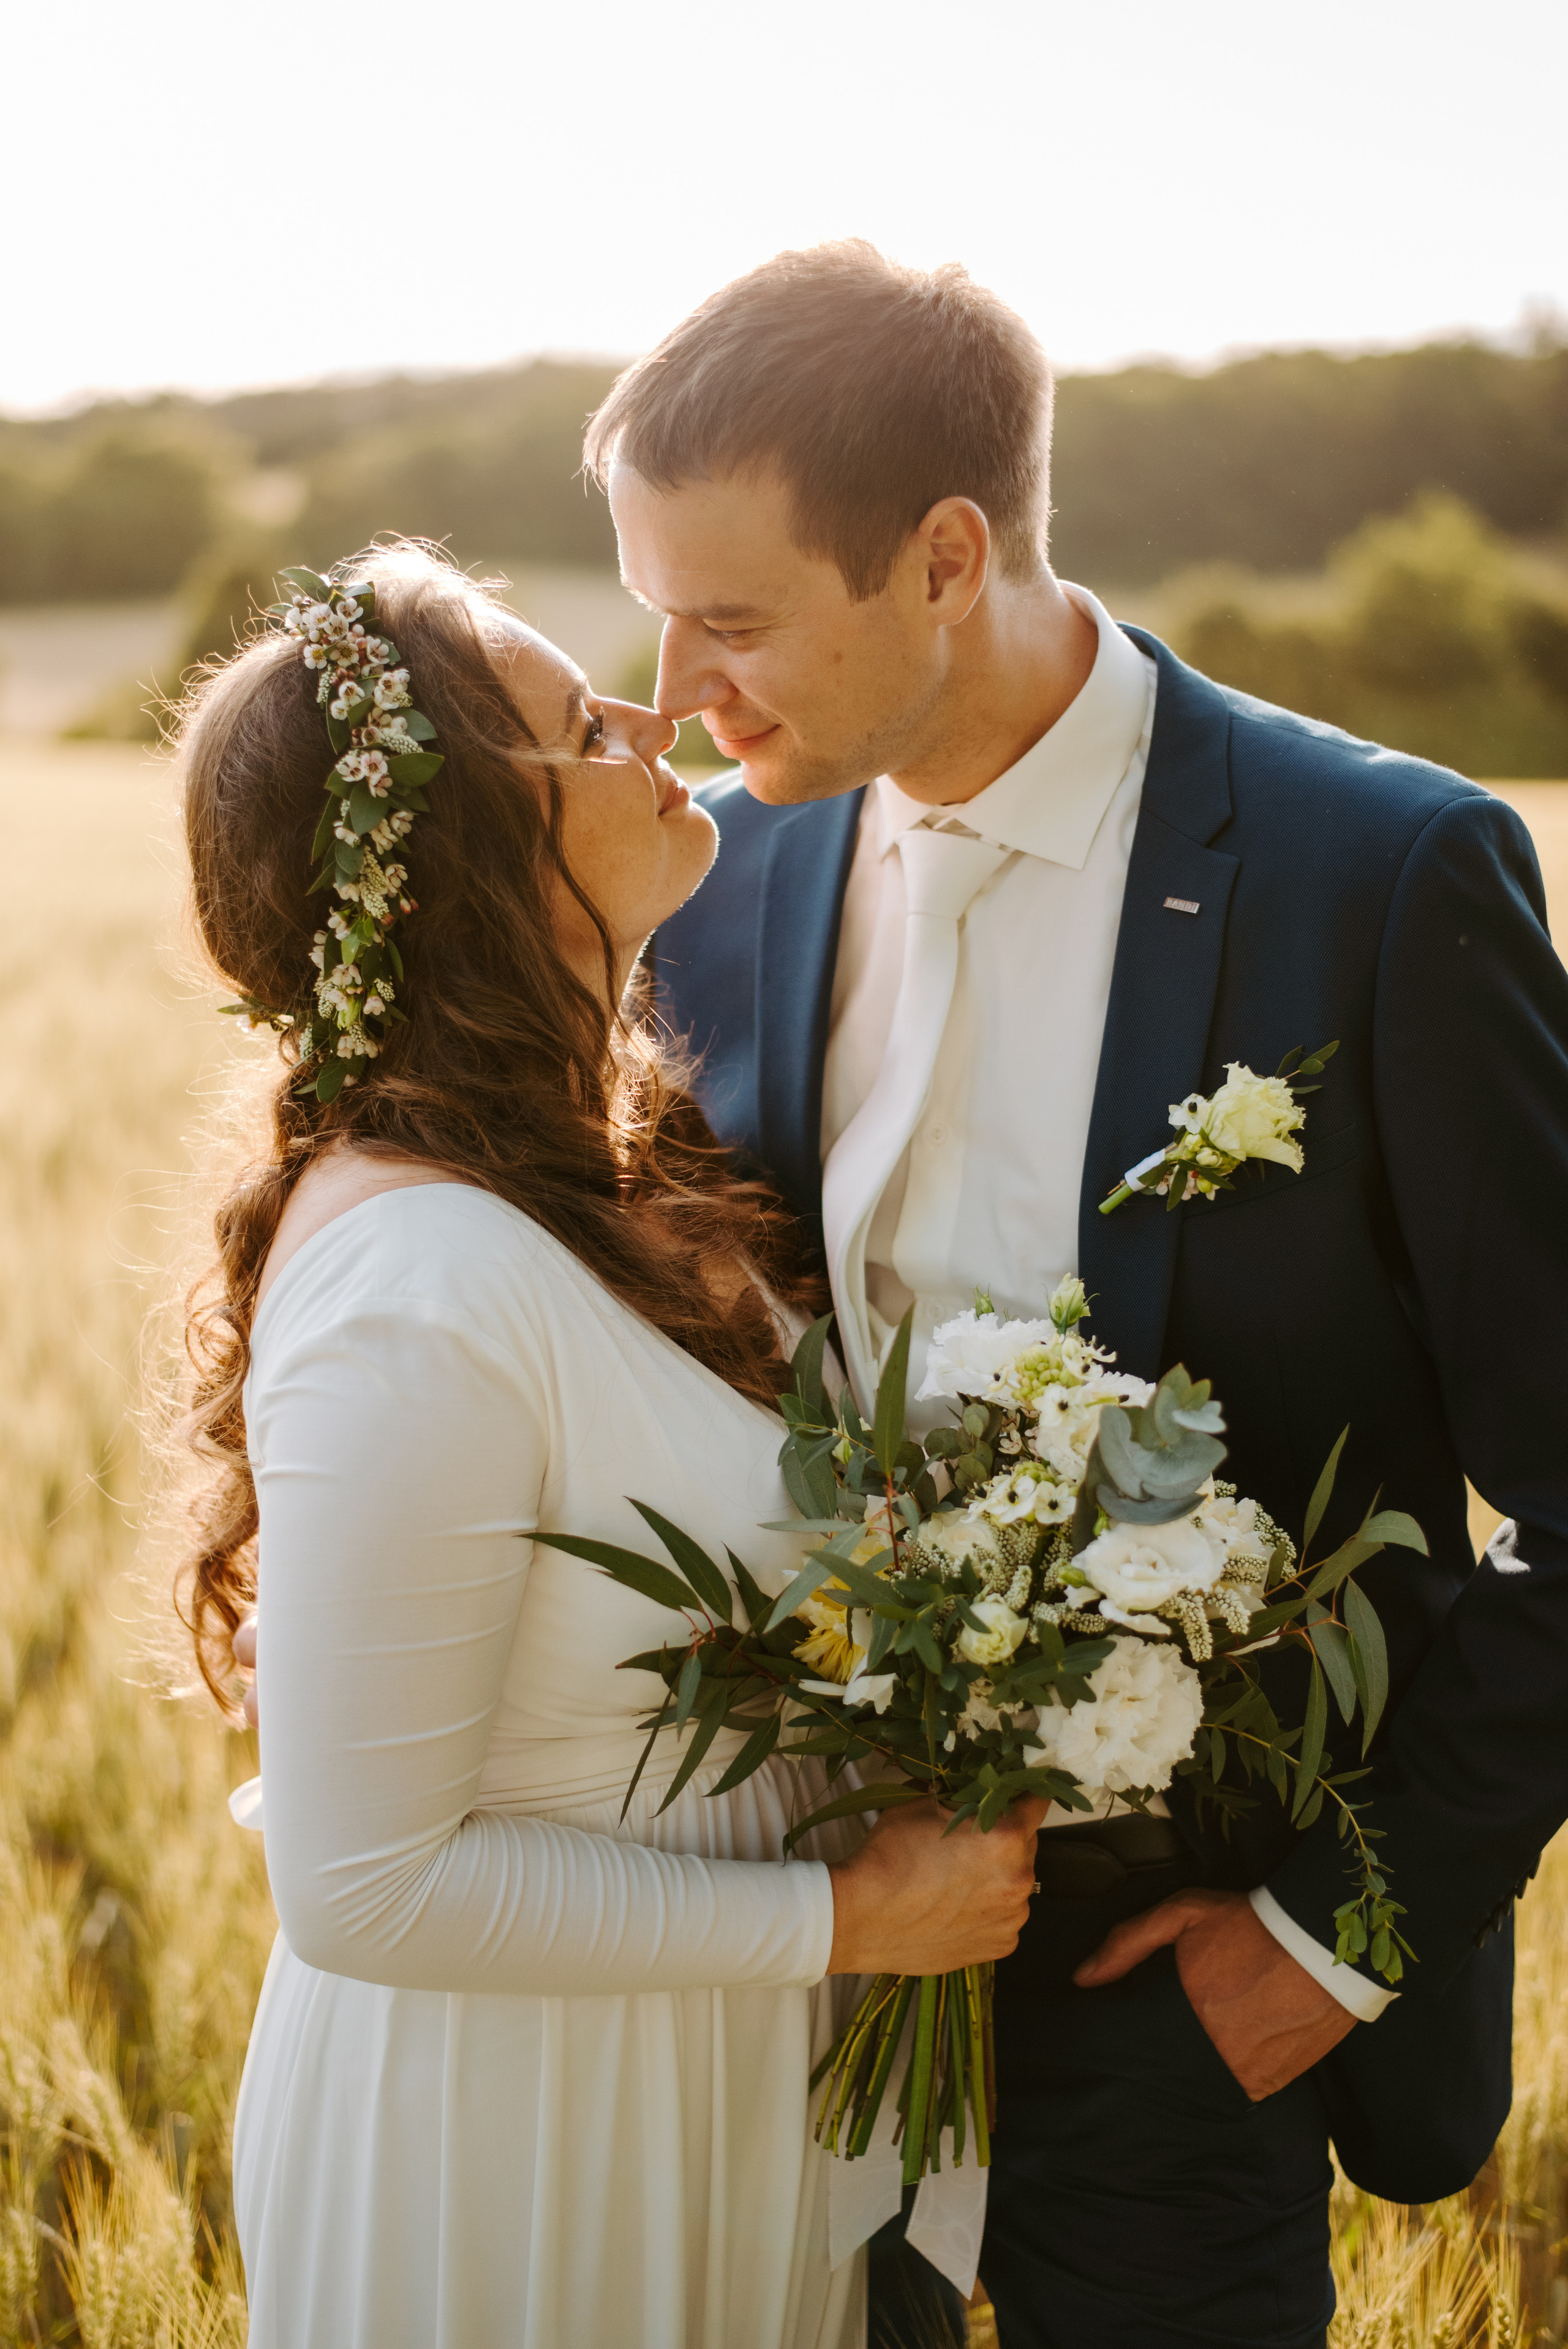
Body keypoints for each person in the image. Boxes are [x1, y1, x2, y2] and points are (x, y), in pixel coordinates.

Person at [582, 241, 1568, 2348]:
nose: (677, 694)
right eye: (657, 613)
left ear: (948, 554)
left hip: (1179, 1989)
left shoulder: (1382, 875)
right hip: (798, 1963)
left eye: (732, 619)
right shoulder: (727, 874)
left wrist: (1330, 1938)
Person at [176, 543, 1045, 2349]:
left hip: (704, 2099)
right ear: (473, 859)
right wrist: (840, 1921)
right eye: (583, 720)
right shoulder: (420, 1274)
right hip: (518, 2146)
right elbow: (360, 1884)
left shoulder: (605, 1186)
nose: (656, 716)